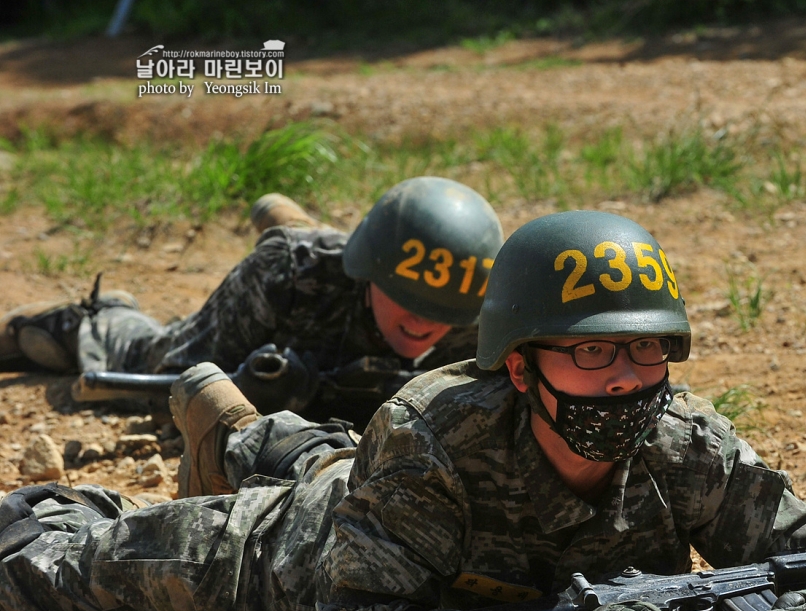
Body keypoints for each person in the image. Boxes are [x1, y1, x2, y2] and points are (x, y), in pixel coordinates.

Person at [0, 211, 806, 611]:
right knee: (49, 567)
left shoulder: (687, 444)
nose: (628, 377)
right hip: (303, 552)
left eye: (647, 348)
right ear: (519, 365)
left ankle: (241, 435)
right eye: (591, 351)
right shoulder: (431, 432)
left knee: (322, 453)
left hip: (383, 492)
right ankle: (217, 441)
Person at [0, 176, 503, 428]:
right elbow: (178, 381)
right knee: (151, 360)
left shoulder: (483, 317)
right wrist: (242, 394)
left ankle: (305, 227)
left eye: (442, 311)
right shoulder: (286, 273)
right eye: (403, 295)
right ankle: (94, 317)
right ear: (370, 271)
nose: (422, 319)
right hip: (292, 288)